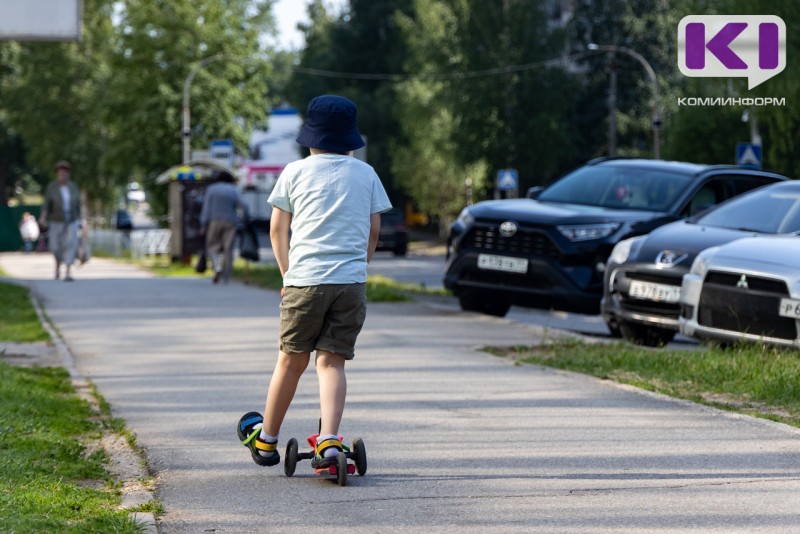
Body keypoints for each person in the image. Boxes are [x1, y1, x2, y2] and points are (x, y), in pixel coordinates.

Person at [237, 95, 392, 468]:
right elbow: (373, 232)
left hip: (304, 281)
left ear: (310, 138)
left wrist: (287, 274)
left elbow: (277, 229)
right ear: (351, 140)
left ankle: (267, 441)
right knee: (332, 363)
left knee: (290, 361)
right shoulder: (366, 174)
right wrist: (358, 266)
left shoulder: (294, 172)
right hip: (350, 284)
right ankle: (328, 442)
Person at [199, 170, 248, 284]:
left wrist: (203, 224)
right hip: (231, 222)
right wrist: (242, 219)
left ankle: (217, 267)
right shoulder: (233, 190)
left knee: (212, 246)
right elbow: (243, 206)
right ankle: (227, 276)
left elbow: (206, 208)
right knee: (228, 249)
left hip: (214, 221)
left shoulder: (211, 189)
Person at [39, 160, 81, 281]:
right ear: (57, 174)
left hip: (71, 220)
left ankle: (68, 271)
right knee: (55, 246)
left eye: (65, 172)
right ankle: (57, 265)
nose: (63, 175)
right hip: (56, 220)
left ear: (68, 174)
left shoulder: (73, 187)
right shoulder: (52, 187)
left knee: (70, 243)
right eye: (60, 172)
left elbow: (78, 205)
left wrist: (82, 221)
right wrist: (43, 217)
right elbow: (46, 204)